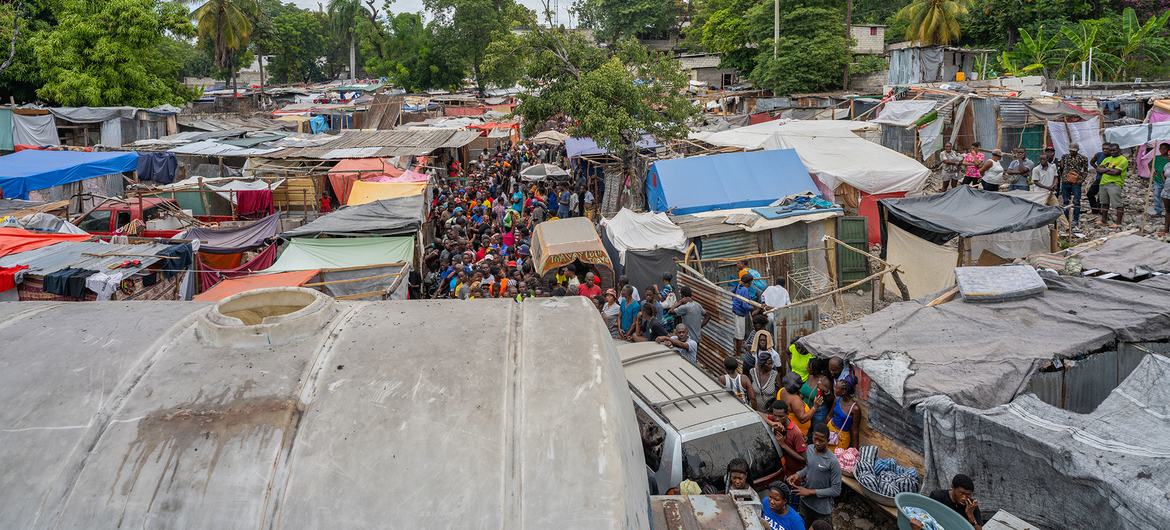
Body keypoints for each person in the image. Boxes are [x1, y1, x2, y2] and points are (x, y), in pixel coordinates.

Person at [787, 423, 841, 526]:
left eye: (821, 441)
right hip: (805, 503)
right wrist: (798, 475)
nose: (817, 443)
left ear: (828, 441)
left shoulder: (832, 461)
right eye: (815, 439)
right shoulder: (810, 449)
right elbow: (810, 467)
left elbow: (836, 490)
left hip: (821, 510)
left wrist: (810, 492)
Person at [763, 399, 807, 479]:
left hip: (795, 474)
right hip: (782, 470)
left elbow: (804, 459)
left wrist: (783, 445)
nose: (777, 419)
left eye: (780, 416)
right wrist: (771, 423)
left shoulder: (795, 433)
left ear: (787, 414)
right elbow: (758, 413)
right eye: (775, 415)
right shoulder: (774, 421)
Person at [1058, 143, 1090, 228]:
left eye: (1073, 150)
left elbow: (1086, 171)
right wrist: (1063, 177)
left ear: (1077, 150)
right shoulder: (1064, 157)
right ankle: (1066, 220)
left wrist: (1081, 180)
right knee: (1065, 201)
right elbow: (1061, 168)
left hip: (1076, 183)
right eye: (1070, 150)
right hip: (1065, 182)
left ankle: (1075, 220)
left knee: (1076, 201)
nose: (1072, 152)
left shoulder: (1083, 158)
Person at [1098, 142, 1129, 227]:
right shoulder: (1107, 159)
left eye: (1114, 150)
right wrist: (1110, 169)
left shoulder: (1123, 159)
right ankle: (1104, 220)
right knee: (1104, 203)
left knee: (1117, 204)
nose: (1112, 152)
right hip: (1103, 183)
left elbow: (1116, 172)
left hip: (1114, 184)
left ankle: (1118, 223)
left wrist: (1105, 169)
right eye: (1110, 150)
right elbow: (1098, 169)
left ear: (1119, 150)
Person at [827, 380, 859, 450]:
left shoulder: (854, 409)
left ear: (844, 391)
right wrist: (824, 430)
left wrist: (855, 448)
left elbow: (855, 430)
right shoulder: (837, 400)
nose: (834, 389)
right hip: (830, 430)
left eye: (836, 388)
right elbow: (829, 416)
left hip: (841, 437)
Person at [732, 273, 755, 357]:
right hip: (739, 313)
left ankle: (737, 350)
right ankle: (738, 354)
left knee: (737, 333)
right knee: (740, 335)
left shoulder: (739, 286)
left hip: (735, 311)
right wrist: (752, 307)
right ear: (749, 282)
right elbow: (744, 305)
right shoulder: (744, 289)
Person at [1152, 142, 1169, 217]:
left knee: (1166, 196)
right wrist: (1152, 172)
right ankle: (1158, 211)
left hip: (1167, 181)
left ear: (1168, 150)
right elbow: (1150, 165)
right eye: (1160, 148)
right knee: (1156, 195)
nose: (1162, 150)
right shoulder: (1156, 158)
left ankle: (1167, 211)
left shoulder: (1169, 159)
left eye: (1164, 148)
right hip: (1157, 180)